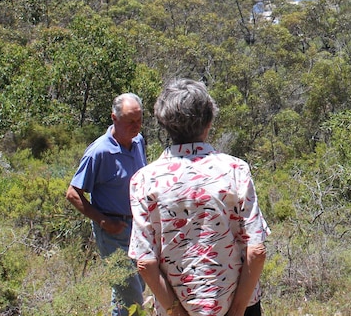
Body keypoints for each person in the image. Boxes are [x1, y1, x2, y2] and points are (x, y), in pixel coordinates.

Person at [129, 78, 269, 316]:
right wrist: (236, 311)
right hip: (240, 307)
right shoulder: (235, 171)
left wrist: (177, 312)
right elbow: (255, 252)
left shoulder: (144, 180)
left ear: (165, 124)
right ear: (209, 121)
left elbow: (146, 262)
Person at [66, 93, 147, 316]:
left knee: (133, 288)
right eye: (131, 121)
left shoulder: (138, 142)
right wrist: (103, 221)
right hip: (112, 229)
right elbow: (73, 193)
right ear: (114, 118)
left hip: (138, 228)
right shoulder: (99, 152)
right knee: (131, 293)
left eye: (139, 120)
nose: (136, 126)